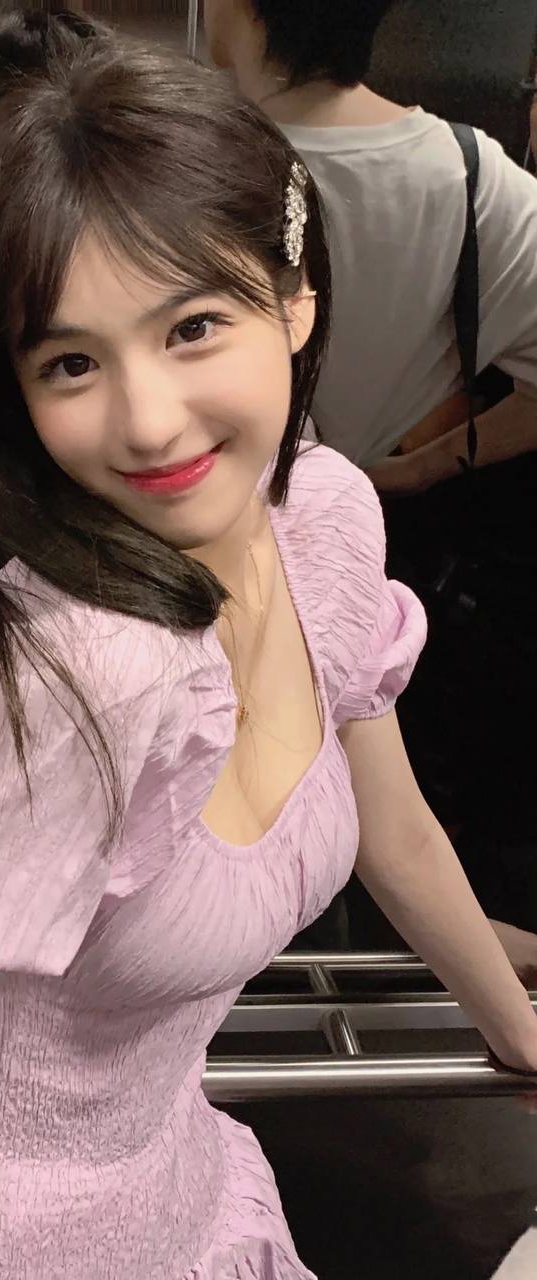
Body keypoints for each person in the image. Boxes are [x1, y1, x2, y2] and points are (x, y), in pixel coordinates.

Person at [0, 15, 537, 1280]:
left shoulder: (326, 518)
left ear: (293, 300)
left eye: (193, 327)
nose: (148, 420)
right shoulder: (72, 670)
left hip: (175, 1185)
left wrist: (513, 1022)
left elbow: (390, 823)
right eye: (72, 361)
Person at [205, 0, 537, 954]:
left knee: (232, 870)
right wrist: (423, 466)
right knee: (384, 848)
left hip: (204, 563)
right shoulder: (474, 177)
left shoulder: (187, 161)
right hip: (391, 561)